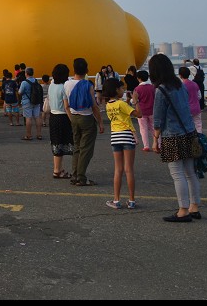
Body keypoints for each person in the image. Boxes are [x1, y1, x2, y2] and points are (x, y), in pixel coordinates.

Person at [149, 53, 201, 223]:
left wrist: (155, 139)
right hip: (189, 132)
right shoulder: (180, 85)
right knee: (190, 172)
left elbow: (158, 118)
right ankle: (194, 207)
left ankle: (183, 210)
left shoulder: (161, 90)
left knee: (177, 174)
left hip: (172, 135)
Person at [63, 58, 103, 187]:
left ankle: (75, 174)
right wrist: (100, 122)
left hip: (74, 117)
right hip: (87, 118)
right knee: (86, 149)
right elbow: (94, 106)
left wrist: (71, 117)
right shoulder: (88, 85)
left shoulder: (67, 84)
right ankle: (81, 177)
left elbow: (66, 105)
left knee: (77, 147)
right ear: (86, 70)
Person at [103, 78, 141, 210]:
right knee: (129, 169)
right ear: (116, 90)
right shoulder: (121, 104)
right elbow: (139, 114)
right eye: (121, 88)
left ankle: (116, 200)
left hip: (115, 137)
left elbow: (121, 111)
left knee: (118, 170)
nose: (123, 90)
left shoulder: (108, 105)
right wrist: (135, 101)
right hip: (127, 135)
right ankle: (131, 201)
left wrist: (128, 101)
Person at [48, 64, 74, 179]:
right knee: (66, 143)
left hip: (53, 116)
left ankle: (57, 169)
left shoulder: (51, 85)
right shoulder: (64, 87)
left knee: (56, 144)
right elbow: (66, 106)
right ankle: (58, 170)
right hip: (62, 117)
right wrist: (73, 120)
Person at [131, 70, 156, 151]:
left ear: (138, 78)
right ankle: (158, 144)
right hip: (152, 110)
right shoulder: (152, 87)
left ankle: (146, 146)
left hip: (141, 111)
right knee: (153, 127)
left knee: (143, 128)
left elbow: (134, 101)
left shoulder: (137, 89)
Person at [18, 67, 42, 140]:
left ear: (26, 73)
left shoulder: (24, 82)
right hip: (36, 101)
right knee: (37, 117)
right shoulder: (36, 81)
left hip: (27, 102)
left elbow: (20, 92)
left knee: (28, 118)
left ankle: (29, 135)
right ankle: (39, 134)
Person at [178, 67, 202, 133]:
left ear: (180, 75)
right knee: (198, 125)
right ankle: (200, 139)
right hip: (196, 108)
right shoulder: (195, 84)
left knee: (187, 127)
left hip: (186, 110)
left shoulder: (180, 86)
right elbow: (199, 96)